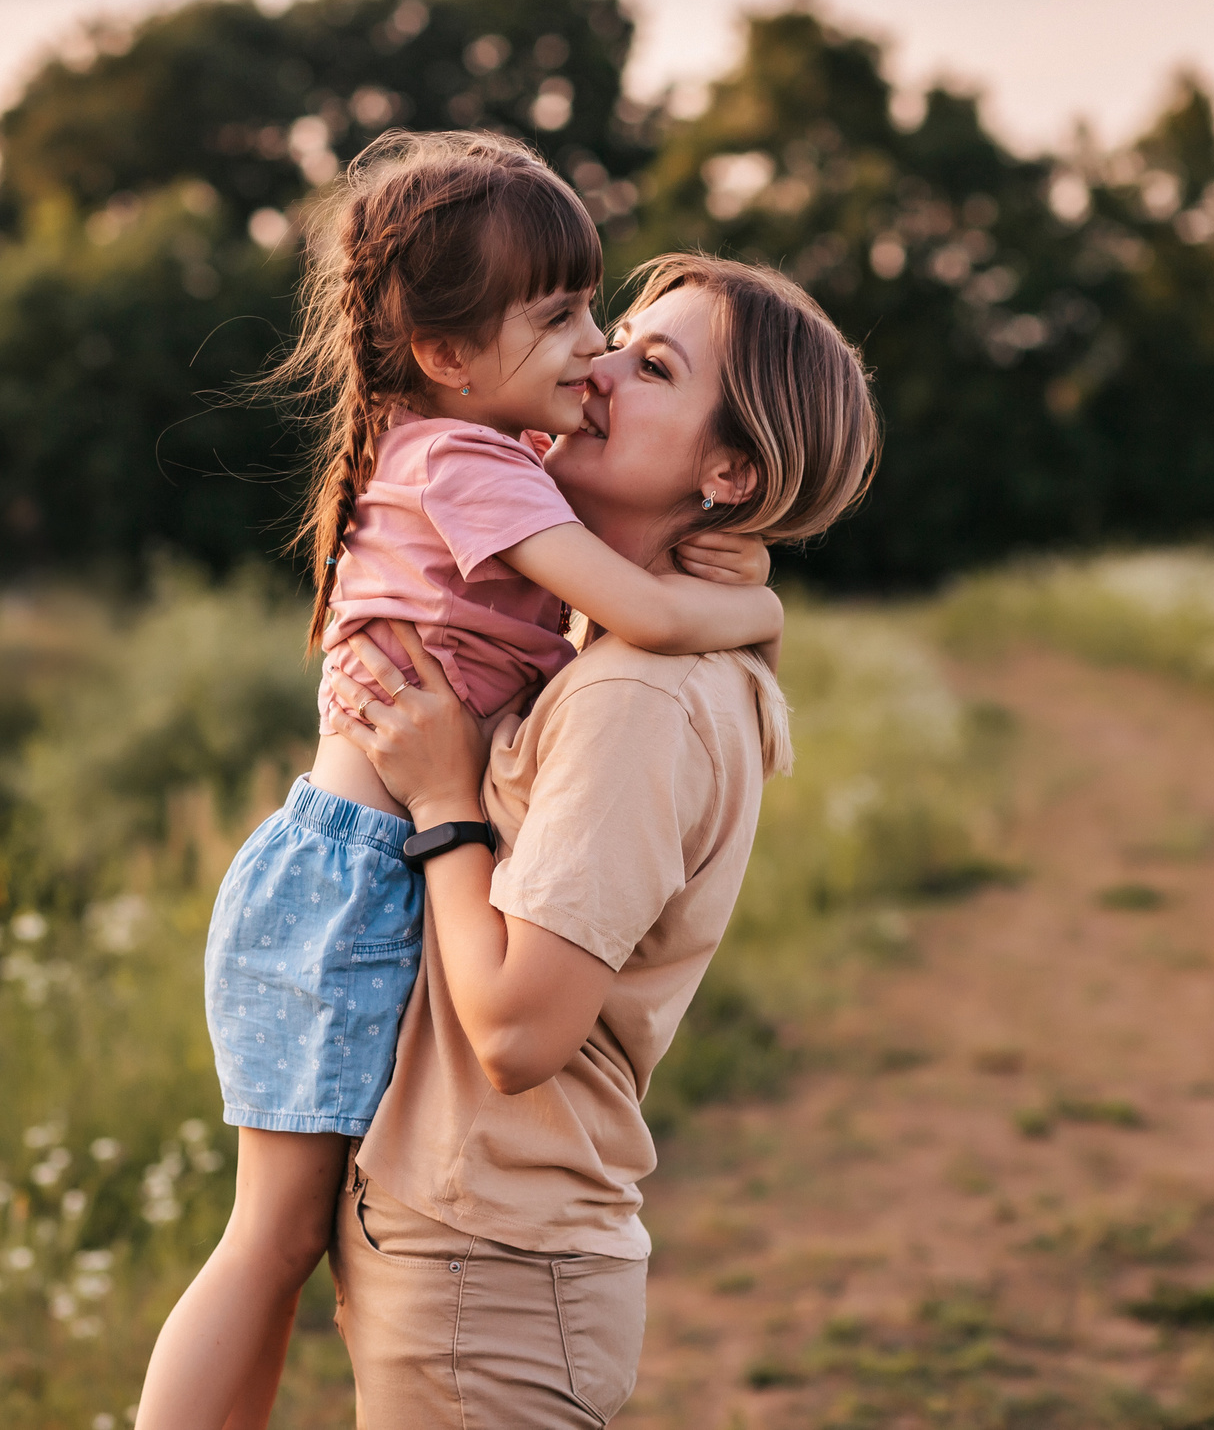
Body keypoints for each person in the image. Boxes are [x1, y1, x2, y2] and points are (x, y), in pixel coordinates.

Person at [135, 137, 785, 1430]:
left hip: (364, 866)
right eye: (564, 318)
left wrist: (729, 559)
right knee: (271, 1240)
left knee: (291, 1241)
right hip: (350, 878)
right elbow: (649, 613)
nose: (593, 351)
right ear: (446, 354)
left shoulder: (489, 452)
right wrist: (758, 604)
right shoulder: (471, 465)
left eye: (607, 323)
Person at [322, 250, 880, 1426]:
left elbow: (518, 1030)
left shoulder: (636, 696)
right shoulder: (611, 654)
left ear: (729, 471)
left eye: (653, 366)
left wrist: (445, 805)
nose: (596, 366)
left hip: (487, 1262)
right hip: (476, 1246)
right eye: (614, 337)